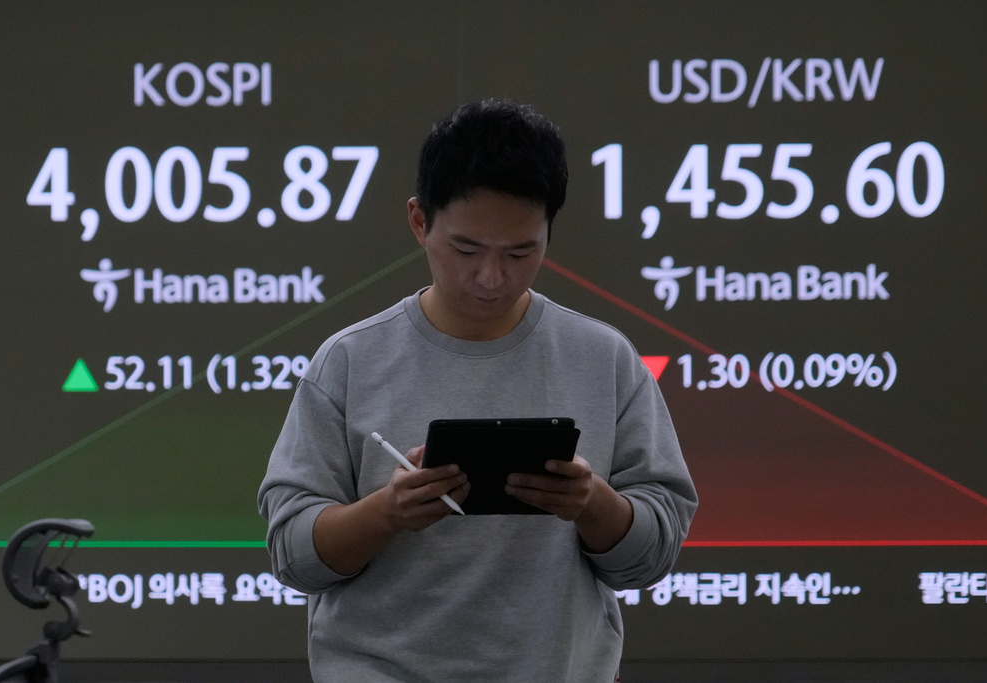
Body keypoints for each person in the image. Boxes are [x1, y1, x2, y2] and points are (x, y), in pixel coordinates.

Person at [259, 99, 697, 682]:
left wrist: (592, 502)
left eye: (521, 253)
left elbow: (653, 555)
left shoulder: (605, 359)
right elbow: (292, 554)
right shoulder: (349, 361)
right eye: (466, 250)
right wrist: (387, 513)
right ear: (419, 222)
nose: (492, 278)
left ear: (548, 232)